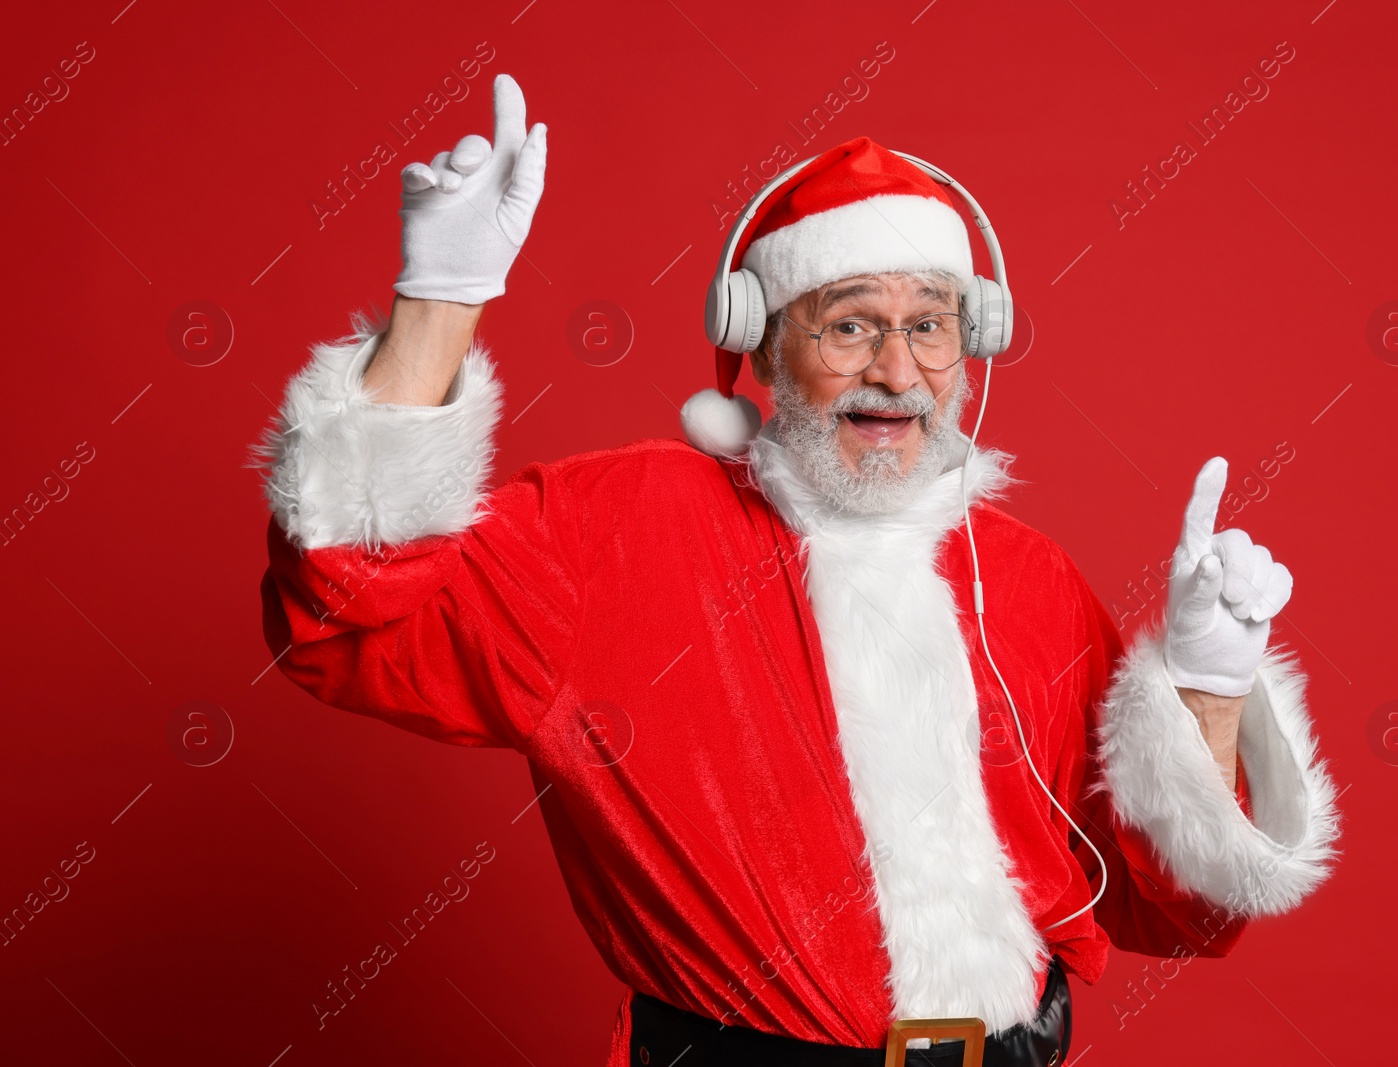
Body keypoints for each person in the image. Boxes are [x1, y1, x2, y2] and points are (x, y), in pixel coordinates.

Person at [255, 73, 1340, 1067]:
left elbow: (1179, 911)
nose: (897, 369)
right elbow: (353, 618)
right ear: (762, 341)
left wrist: (1205, 689)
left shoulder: (1025, 578)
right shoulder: (619, 526)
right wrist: (439, 302)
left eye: (930, 325)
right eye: (852, 322)